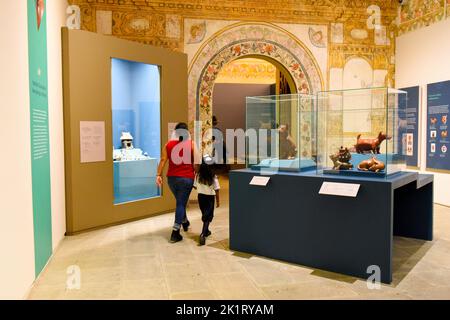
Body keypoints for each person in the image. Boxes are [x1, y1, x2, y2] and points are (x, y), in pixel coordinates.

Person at [156, 122, 198, 243]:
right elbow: (196, 163)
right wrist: (197, 175)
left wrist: (158, 174)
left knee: (180, 201)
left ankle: (185, 222)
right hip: (186, 178)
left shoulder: (168, 144)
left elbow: (163, 160)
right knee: (181, 203)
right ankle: (175, 232)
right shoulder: (191, 144)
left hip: (172, 179)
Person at [193, 154, 220, 246]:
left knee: (205, 214)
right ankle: (202, 234)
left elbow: (195, 187)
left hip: (201, 197)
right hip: (210, 198)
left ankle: (207, 230)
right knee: (208, 216)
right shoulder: (213, 176)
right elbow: (217, 189)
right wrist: (218, 201)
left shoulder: (198, 175)